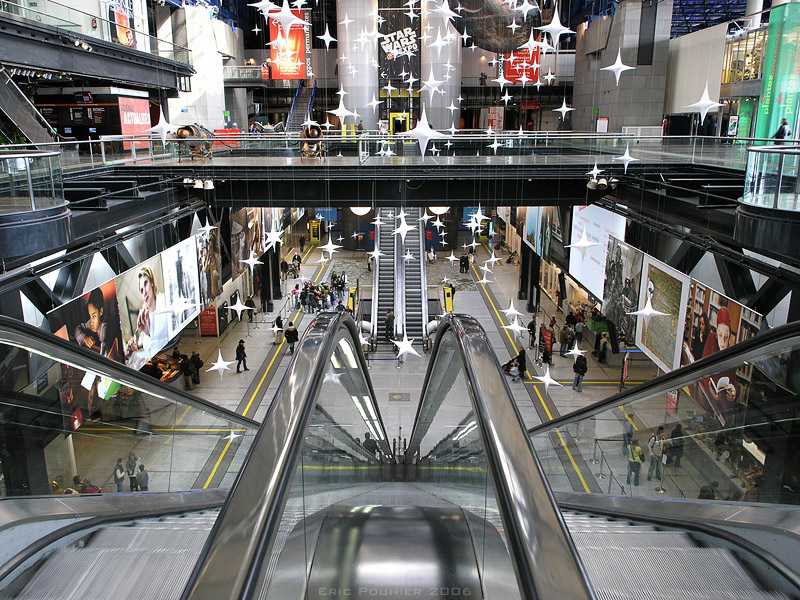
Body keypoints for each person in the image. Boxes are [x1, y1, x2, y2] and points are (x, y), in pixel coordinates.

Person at [124, 266, 169, 368]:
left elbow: (163, 342)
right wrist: (135, 353)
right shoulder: (144, 319)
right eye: (141, 290)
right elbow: (150, 353)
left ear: (152, 282)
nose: (144, 292)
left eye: (146, 283)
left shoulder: (164, 302)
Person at [73, 287, 118, 360]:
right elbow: (77, 329)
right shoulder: (89, 323)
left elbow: (105, 350)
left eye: (94, 316)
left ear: (101, 312)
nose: (92, 322)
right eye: (90, 316)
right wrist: (84, 338)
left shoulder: (106, 328)